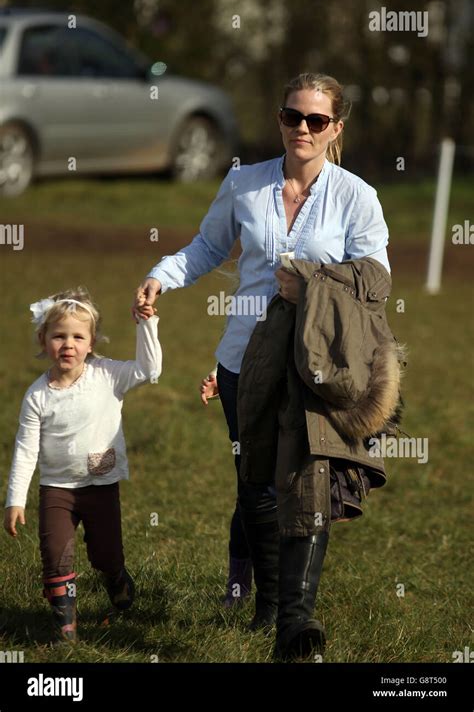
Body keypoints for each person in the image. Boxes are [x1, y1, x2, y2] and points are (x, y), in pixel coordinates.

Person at [133, 72, 392, 657]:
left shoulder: (356, 196)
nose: (302, 128)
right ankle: (269, 605)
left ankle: (294, 624)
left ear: (335, 129)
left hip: (315, 367)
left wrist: (314, 286)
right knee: (255, 487)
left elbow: (377, 280)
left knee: (307, 484)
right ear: (279, 119)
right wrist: (161, 276)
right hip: (241, 362)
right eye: (291, 116)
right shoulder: (244, 183)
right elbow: (206, 247)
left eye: (316, 120)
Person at [3, 287, 162, 642]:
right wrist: (15, 500)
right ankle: (66, 632)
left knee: (106, 555)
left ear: (92, 343)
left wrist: (146, 326)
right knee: (56, 557)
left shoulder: (108, 375)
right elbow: (25, 450)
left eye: (78, 337)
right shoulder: (37, 396)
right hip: (56, 490)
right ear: (43, 340)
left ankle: (115, 576)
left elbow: (149, 371)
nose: (68, 345)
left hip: (101, 486)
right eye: (59, 336)